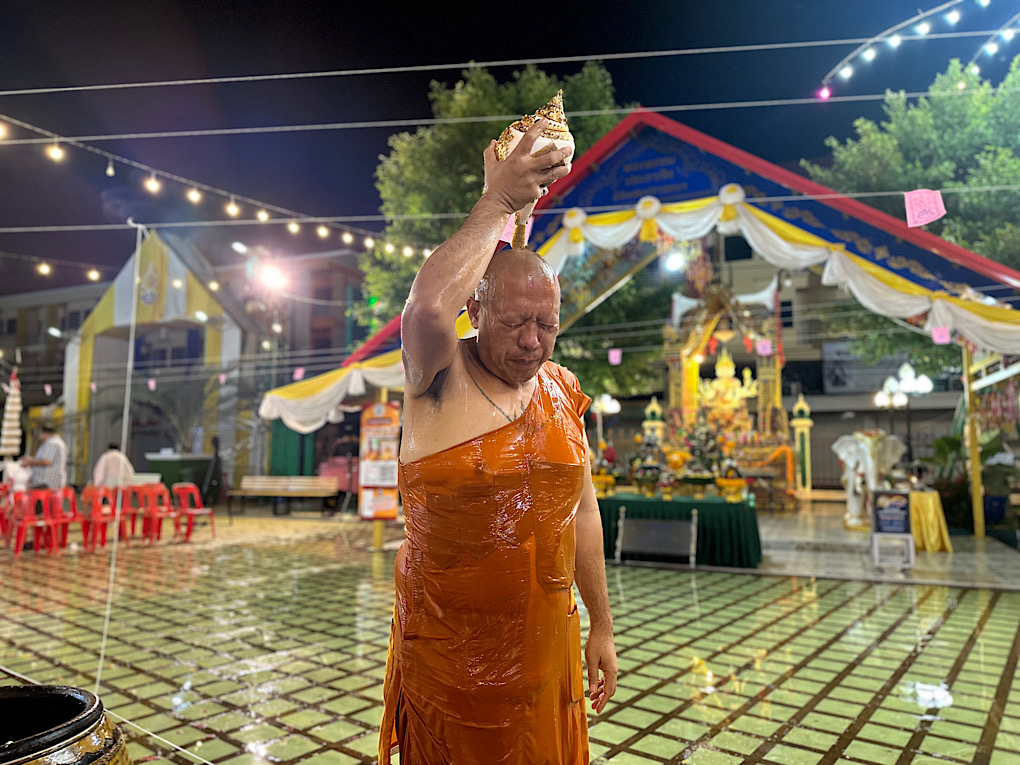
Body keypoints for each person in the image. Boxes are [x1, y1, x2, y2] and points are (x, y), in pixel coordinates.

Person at [378, 117, 617, 764]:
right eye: (515, 323)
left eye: (548, 324)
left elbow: (582, 511)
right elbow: (427, 308)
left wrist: (601, 623)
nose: (533, 342)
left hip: (546, 655)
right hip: (450, 669)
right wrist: (499, 202)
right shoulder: (436, 376)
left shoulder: (561, 387)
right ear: (476, 312)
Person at [21, 424, 67, 489]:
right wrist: (31, 459)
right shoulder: (53, 442)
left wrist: (30, 462)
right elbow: (44, 459)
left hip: (46, 483)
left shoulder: (52, 443)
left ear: (45, 433)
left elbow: (47, 461)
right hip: (46, 483)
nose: (40, 436)